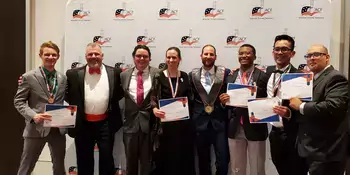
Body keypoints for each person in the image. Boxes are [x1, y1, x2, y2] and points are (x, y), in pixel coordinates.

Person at [289, 44, 349, 175]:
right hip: (310, 148)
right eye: (308, 56)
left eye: (316, 54)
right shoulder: (311, 79)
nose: (311, 58)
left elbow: (334, 106)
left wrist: (301, 106)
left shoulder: (335, 77)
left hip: (327, 151)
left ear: (327, 57)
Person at [65, 43, 123, 175]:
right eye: (90, 54)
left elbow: (119, 94)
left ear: (102, 56)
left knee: (107, 160)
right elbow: (67, 94)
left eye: (96, 54)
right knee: (83, 160)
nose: (93, 56)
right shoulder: (73, 74)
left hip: (106, 124)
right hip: (82, 124)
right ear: (85, 57)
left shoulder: (115, 72)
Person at [14, 41, 66, 175]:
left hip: (57, 129)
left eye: (54, 55)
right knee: (26, 166)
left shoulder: (62, 78)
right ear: (40, 55)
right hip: (36, 128)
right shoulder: (28, 77)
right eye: (47, 54)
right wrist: (33, 116)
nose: (50, 57)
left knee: (59, 167)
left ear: (58, 57)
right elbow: (18, 101)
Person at [219, 44, 268, 175]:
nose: (244, 56)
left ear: (254, 56)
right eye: (241, 53)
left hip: (256, 126)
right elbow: (225, 102)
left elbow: (269, 101)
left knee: (257, 168)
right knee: (236, 168)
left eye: (248, 53)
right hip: (235, 127)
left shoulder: (263, 76)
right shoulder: (230, 76)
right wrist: (223, 101)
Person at [266, 34, 308, 175]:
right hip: (274, 134)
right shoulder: (267, 72)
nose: (280, 52)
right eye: (277, 49)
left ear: (292, 53)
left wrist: (289, 113)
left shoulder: (300, 76)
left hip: (293, 134)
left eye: (284, 49)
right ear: (273, 51)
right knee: (281, 170)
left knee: (297, 171)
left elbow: (306, 108)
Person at [151, 47, 195, 175]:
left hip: (182, 126)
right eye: (168, 57)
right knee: (165, 157)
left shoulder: (185, 76)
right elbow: (153, 96)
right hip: (164, 126)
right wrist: (154, 109)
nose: (171, 60)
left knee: (182, 157)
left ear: (179, 59)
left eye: (174, 57)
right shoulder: (159, 76)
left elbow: (190, 98)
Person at [189, 44, 230, 175]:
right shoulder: (192, 75)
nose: (208, 57)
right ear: (201, 56)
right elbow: (191, 99)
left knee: (223, 160)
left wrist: (224, 103)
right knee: (203, 160)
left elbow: (230, 96)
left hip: (219, 123)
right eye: (205, 54)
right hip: (200, 123)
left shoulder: (225, 73)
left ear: (215, 57)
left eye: (211, 54)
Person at [120, 45, 158, 175]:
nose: (141, 59)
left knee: (147, 164)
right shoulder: (124, 75)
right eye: (138, 56)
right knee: (130, 164)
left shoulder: (157, 74)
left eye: (145, 56)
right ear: (133, 58)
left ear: (150, 58)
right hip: (130, 126)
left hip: (149, 125)